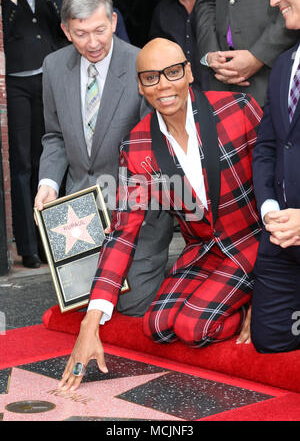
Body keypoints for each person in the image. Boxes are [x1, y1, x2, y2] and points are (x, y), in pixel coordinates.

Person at [58, 37, 263, 392]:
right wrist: (90, 323)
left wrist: (273, 284)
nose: (163, 85)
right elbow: (123, 232)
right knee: (157, 324)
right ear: (141, 86)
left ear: (189, 74)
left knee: (194, 327)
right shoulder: (137, 146)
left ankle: (249, 302)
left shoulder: (237, 109)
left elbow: (283, 186)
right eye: (151, 77)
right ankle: (232, 301)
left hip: (253, 242)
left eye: (172, 72)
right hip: (204, 250)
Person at [34, 0, 173, 319]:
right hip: (80, 214)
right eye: (81, 34)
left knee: (132, 307)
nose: (92, 42)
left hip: (136, 208)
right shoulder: (53, 67)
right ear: (66, 30)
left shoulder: (142, 63)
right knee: (85, 308)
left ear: (113, 22)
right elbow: (54, 135)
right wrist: (49, 184)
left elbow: (155, 146)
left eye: (99, 30)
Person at [1, 0, 64, 268]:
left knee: (48, 161)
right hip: (16, 84)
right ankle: (28, 247)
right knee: (23, 164)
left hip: (46, 81)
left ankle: (52, 241)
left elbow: (65, 28)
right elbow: (5, 28)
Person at [251, 0, 300, 353]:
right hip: (281, 236)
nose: (272, 1)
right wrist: (270, 209)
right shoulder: (284, 65)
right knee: (269, 340)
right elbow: (268, 146)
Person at [195, 0, 300, 107]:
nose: (273, 0)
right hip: (219, 80)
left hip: (268, 74)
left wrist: (258, 56)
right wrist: (211, 55)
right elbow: (205, 2)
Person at [149, 0, 203, 87]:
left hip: (211, 86)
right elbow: (155, 52)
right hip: (175, 86)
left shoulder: (213, 5)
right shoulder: (162, 10)